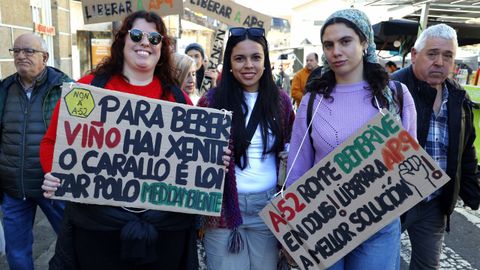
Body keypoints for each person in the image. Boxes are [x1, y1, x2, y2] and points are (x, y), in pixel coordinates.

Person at [39, 11, 201, 270]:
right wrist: (55, 173)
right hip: (98, 230)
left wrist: (213, 159)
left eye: (155, 37)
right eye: (136, 35)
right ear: (123, 40)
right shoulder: (90, 88)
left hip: (164, 233)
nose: (145, 42)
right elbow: (52, 142)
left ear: (163, 47)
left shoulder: (178, 99)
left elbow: (195, 157)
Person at [285, 9, 417, 269]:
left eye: (345, 41)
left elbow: (411, 165)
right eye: (329, 44)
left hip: (378, 224)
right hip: (323, 224)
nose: (336, 51)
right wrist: (292, 231)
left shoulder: (396, 95)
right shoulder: (313, 100)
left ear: (364, 42)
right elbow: (298, 167)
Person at [197, 26, 295, 270]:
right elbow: (191, 153)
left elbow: (294, 143)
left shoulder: (280, 101)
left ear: (265, 62)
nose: (248, 65)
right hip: (222, 209)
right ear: (229, 63)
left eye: (256, 57)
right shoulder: (211, 101)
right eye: (239, 58)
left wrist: (289, 154)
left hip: (268, 208)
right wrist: (209, 157)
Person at [391, 23, 480, 270]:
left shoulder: (457, 95)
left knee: (427, 266)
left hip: (434, 202)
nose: (440, 62)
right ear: (415, 55)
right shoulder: (391, 89)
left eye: (448, 55)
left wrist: (472, 190)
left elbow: (465, 148)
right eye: (432, 54)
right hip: (392, 200)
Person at [0, 33, 71, 270]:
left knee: (73, 244)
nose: (21, 56)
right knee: (17, 254)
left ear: (45, 57)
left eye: (28, 51)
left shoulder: (65, 88)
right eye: (16, 51)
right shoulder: (4, 89)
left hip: (53, 186)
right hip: (14, 188)